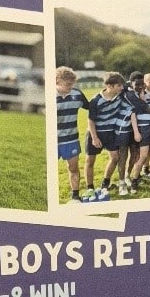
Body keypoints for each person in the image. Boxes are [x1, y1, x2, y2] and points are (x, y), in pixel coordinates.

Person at [55, 66, 89, 201]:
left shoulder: (77, 94)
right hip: (54, 141)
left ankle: (75, 197)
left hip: (71, 140)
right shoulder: (50, 96)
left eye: (72, 84)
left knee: (73, 168)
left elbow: (93, 108)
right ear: (57, 80)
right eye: (68, 84)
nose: (71, 87)